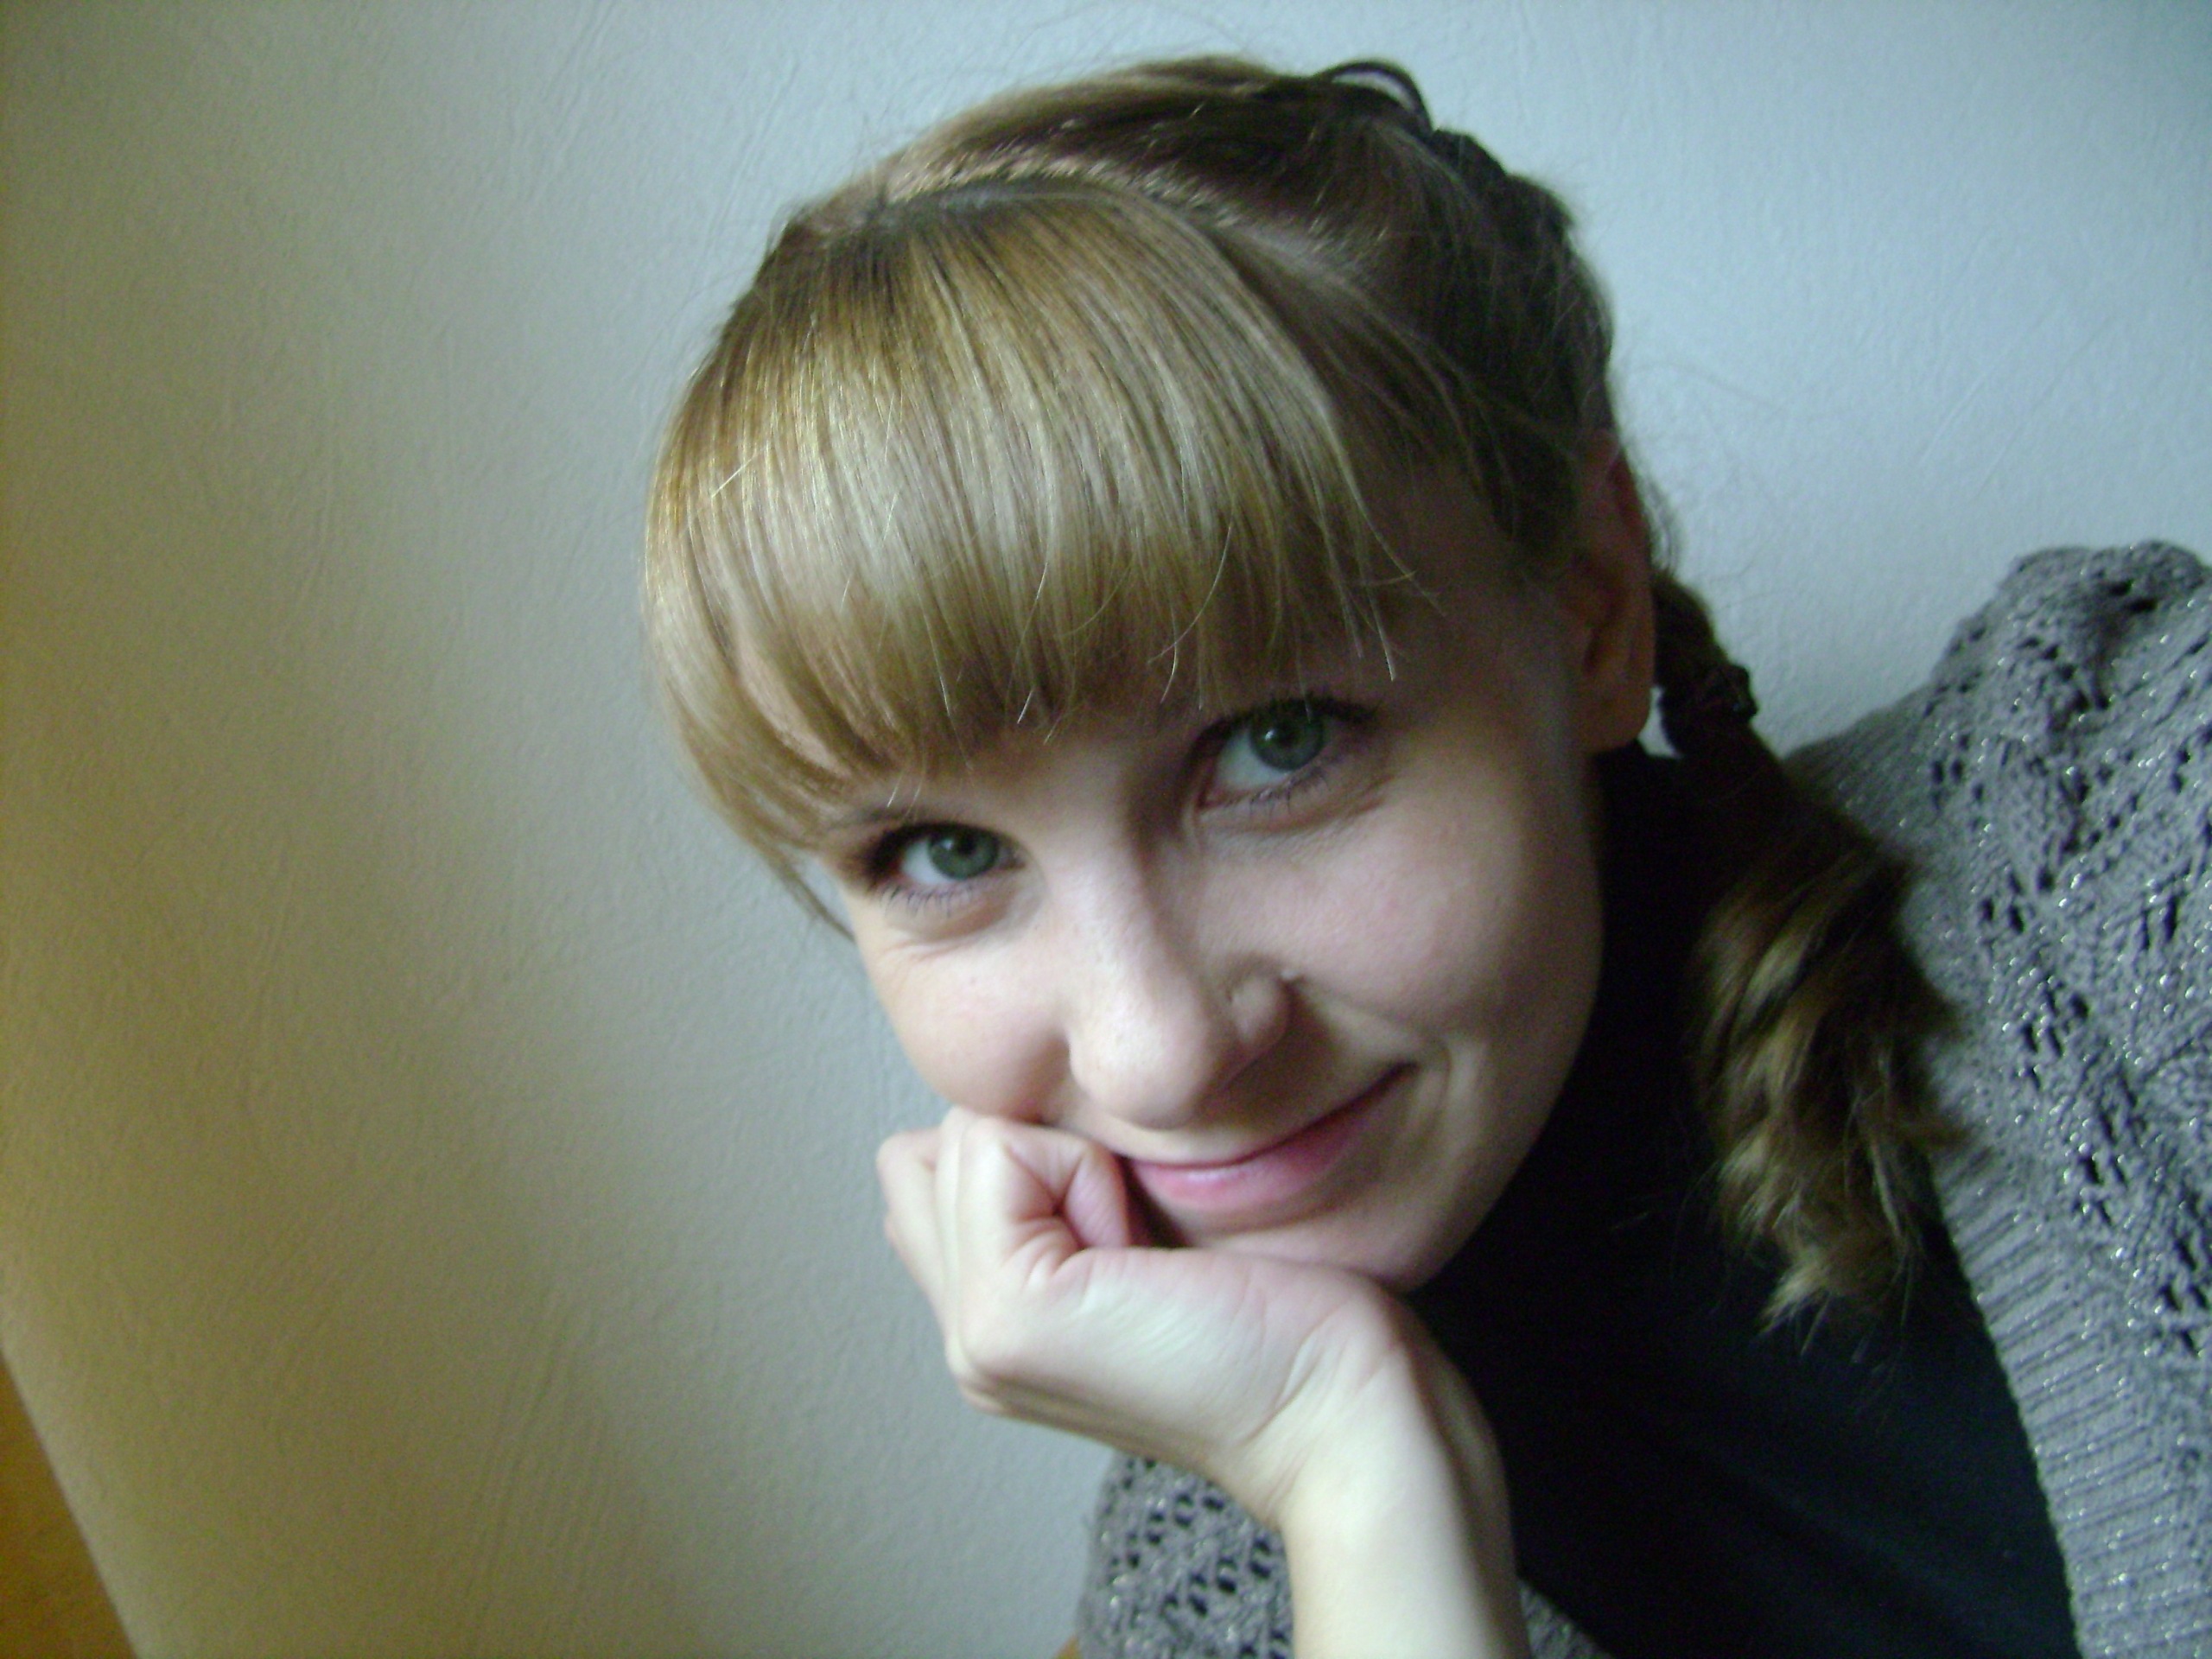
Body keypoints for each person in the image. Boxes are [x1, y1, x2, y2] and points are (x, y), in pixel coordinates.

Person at [643, 56, 2211, 1659]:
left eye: (1278, 744)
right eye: (945, 849)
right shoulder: (1212, 1592)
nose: (1160, 1054)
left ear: (1592, 608)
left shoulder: (2132, 827)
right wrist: (1342, 1465)